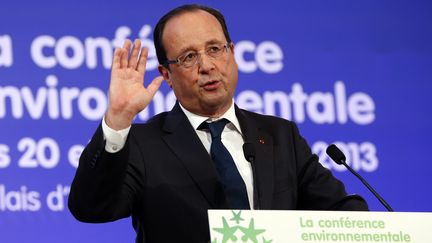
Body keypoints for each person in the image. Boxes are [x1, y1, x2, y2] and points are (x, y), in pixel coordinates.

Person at [68, 4, 368, 243]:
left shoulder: (280, 135)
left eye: (214, 49)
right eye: (188, 57)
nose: (207, 66)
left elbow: (339, 213)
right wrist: (119, 119)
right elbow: (91, 208)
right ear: (167, 74)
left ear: (232, 53)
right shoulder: (144, 143)